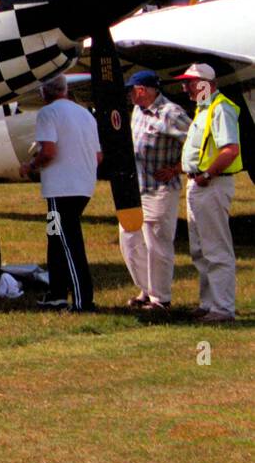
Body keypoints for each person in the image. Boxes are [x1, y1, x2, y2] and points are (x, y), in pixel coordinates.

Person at [20, 75, 103, 311]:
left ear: (44, 92)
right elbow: (98, 156)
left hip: (60, 189)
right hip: (83, 186)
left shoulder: (48, 113)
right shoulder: (85, 114)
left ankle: (82, 300)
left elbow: (48, 151)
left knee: (68, 243)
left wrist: (30, 166)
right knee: (55, 238)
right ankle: (56, 293)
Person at [120, 70, 192, 310]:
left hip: (160, 189)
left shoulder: (171, 113)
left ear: (142, 90)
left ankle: (161, 298)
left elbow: (197, 143)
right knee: (130, 239)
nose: (129, 95)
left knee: (157, 243)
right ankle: (146, 289)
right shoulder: (137, 112)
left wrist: (176, 168)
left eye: (131, 90)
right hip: (137, 187)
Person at [177, 63, 242, 322]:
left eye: (190, 83)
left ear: (206, 83)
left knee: (216, 249)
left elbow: (230, 149)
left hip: (211, 184)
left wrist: (207, 174)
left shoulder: (220, 108)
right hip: (200, 184)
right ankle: (208, 303)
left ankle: (223, 308)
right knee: (201, 249)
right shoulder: (203, 109)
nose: (186, 88)